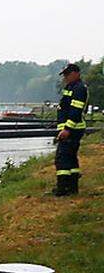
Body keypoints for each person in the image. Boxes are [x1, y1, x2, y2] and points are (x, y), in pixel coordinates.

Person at [54, 63, 89, 196]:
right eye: (64, 75)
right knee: (71, 158)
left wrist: (67, 129)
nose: (65, 77)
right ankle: (72, 188)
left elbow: (75, 111)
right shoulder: (71, 87)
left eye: (67, 74)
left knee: (62, 159)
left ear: (76, 73)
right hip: (71, 129)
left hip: (72, 129)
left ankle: (62, 189)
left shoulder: (79, 88)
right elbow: (64, 107)